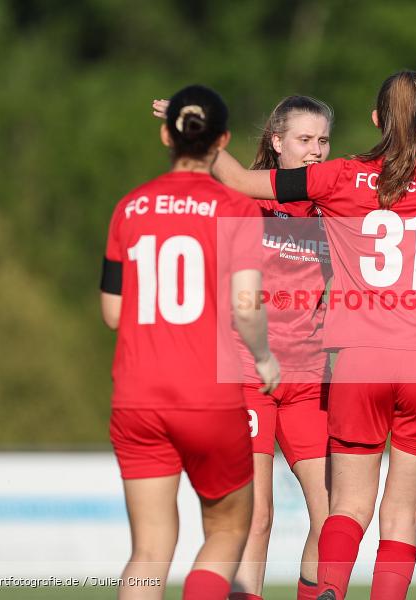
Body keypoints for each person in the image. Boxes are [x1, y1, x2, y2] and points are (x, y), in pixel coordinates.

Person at [209, 70, 416, 600]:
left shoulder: (338, 178)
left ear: (374, 119)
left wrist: (201, 134)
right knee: (401, 513)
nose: (316, 150)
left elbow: (243, 180)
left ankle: (328, 592)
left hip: (357, 364)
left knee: (344, 509)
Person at [153, 94, 336, 600]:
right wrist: (194, 125)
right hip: (248, 373)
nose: (316, 151)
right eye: (304, 140)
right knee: (257, 517)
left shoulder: (331, 204)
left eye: (323, 140)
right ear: (277, 144)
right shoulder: (245, 200)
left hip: (309, 380)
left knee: (333, 518)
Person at [101, 84, 280, 600]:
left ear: (166, 134)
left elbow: (112, 313)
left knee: (149, 549)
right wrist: (265, 360)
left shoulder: (128, 208)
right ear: (222, 140)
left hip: (136, 395)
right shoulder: (238, 210)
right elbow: (246, 308)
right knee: (226, 531)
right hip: (208, 395)